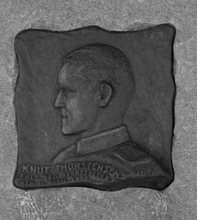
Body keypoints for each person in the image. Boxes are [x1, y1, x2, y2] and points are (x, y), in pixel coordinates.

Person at [49, 43, 167, 183]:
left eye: (68, 91)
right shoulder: (63, 160)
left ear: (103, 95)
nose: (58, 103)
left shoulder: (140, 169)